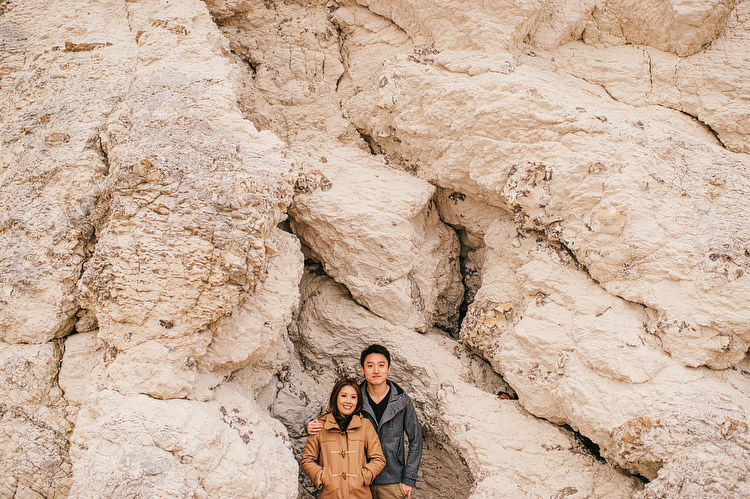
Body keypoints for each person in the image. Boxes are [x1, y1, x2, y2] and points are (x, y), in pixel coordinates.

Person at [308, 345, 423, 499]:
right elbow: (335, 419)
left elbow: (416, 439)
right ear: (362, 369)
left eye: (381, 365)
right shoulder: (355, 398)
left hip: (391, 481)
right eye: (370, 366)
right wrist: (310, 426)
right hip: (356, 482)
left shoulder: (402, 401)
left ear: (388, 369)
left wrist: (409, 479)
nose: (376, 370)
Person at [301, 378, 386, 499]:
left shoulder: (365, 425)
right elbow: (307, 459)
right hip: (330, 494)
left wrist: (363, 477)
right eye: (344, 396)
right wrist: (322, 477)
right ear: (336, 398)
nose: (348, 401)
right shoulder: (320, 425)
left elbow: (379, 459)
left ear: (358, 401)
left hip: (360, 494)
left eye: (353, 397)